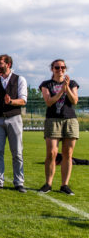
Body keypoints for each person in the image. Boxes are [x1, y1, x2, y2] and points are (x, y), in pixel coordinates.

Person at [0, 54, 27, 193]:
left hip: (14, 118)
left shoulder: (20, 79)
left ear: (8, 64)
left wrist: (11, 101)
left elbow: (23, 101)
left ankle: (19, 182)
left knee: (17, 153)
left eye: (0, 63)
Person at [38, 59, 79, 195]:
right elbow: (49, 102)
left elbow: (74, 101)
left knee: (68, 154)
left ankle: (64, 185)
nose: (60, 69)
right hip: (53, 120)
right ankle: (48, 184)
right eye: (57, 67)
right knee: (52, 153)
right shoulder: (46, 84)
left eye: (62, 67)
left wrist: (66, 88)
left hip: (69, 120)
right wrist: (61, 91)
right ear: (52, 69)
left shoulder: (72, 83)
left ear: (65, 69)